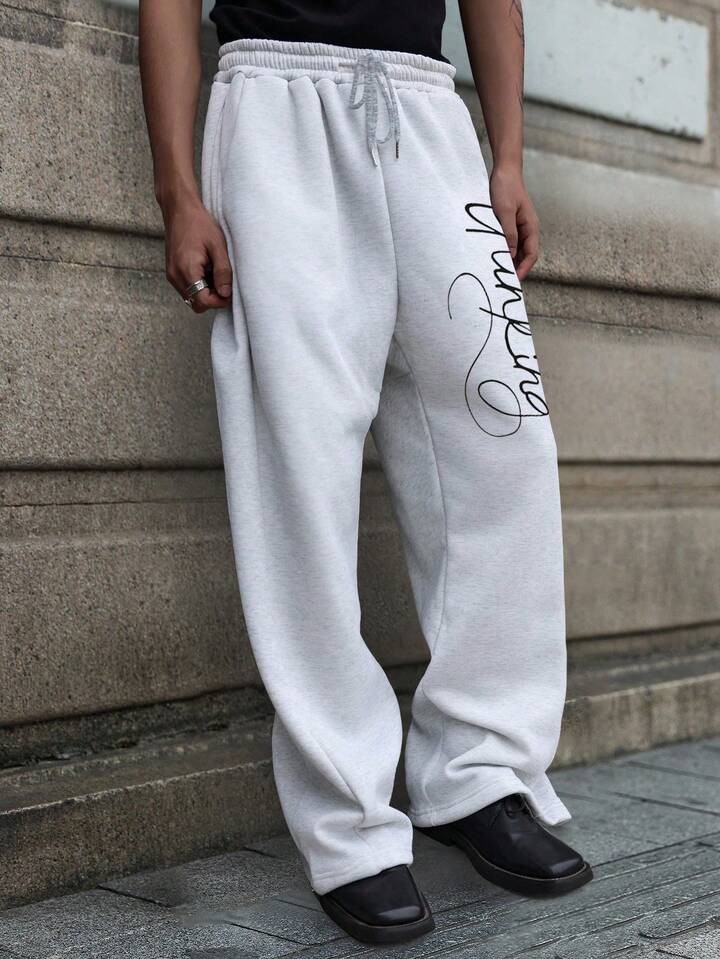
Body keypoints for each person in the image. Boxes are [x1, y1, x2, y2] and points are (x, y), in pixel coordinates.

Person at [139, 0, 592, 944]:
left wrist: (506, 157)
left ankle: (478, 770)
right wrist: (179, 192)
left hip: (430, 113)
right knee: (300, 467)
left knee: (502, 442)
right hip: (274, 105)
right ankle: (348, 822)